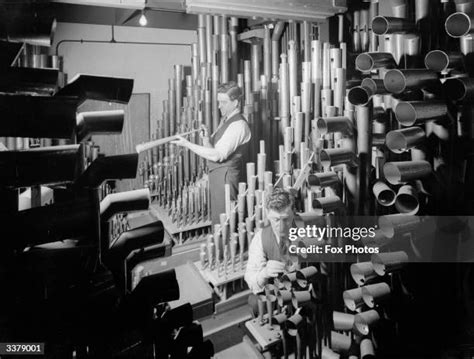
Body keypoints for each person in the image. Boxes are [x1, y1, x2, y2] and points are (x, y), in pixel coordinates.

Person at [172, 81, 251, 225]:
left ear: (236, 103)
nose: (220, 106)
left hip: (227, 178)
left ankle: (226, 246)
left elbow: (217, 155)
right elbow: (213, 151)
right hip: (217, 176)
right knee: (218, 219)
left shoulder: (239, 125)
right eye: (218, 102)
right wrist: (206, 139)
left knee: (226, 221)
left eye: (224, 102)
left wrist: (187, 144)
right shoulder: (226, 121)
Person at [244, 188, 299, 294]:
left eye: (286, 219)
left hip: (304, 291)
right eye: (276, 220)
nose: (281, 226)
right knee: (255, 303)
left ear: (294, 212)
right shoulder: (260, 238)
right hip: (278, 292)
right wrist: (265, 273)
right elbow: (251, 279)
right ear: (267, 214)